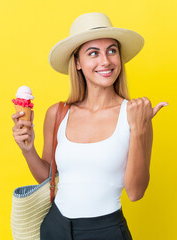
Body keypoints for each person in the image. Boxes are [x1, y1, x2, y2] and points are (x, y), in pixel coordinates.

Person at [11, 12, 168, 240]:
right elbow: (48, 179)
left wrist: (140, 129)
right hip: (55, 228)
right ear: (77, 62)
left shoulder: (135, 114)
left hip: (106, 231)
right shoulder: (58, 113)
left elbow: (136, 192)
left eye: (112, 50)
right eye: (93, 53)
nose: (105, 61)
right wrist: (27, 149)